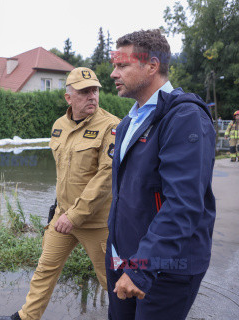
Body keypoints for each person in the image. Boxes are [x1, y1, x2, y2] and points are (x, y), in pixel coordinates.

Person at [107, 29, 216, 319]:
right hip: (125, 259)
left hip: (166, 268)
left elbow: (183, 204)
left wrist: (142, 268)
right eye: (113, 65)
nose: (113, 74)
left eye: (122, 65)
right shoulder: (131, 119)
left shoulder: (184, 117)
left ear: (152, 66)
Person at [0, 67, 120, 320]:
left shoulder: (112, 126)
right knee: (45, 269)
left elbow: (105, 178)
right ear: (69, 98)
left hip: (96, 222)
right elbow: (64, 172)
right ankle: (27, 317)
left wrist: (74, 216)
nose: (92, 96)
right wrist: (58, 209)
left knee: (112, 279)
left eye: (95, 90)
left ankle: (138, 314)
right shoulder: (59, 126)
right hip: (62, 217)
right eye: (84, 92)